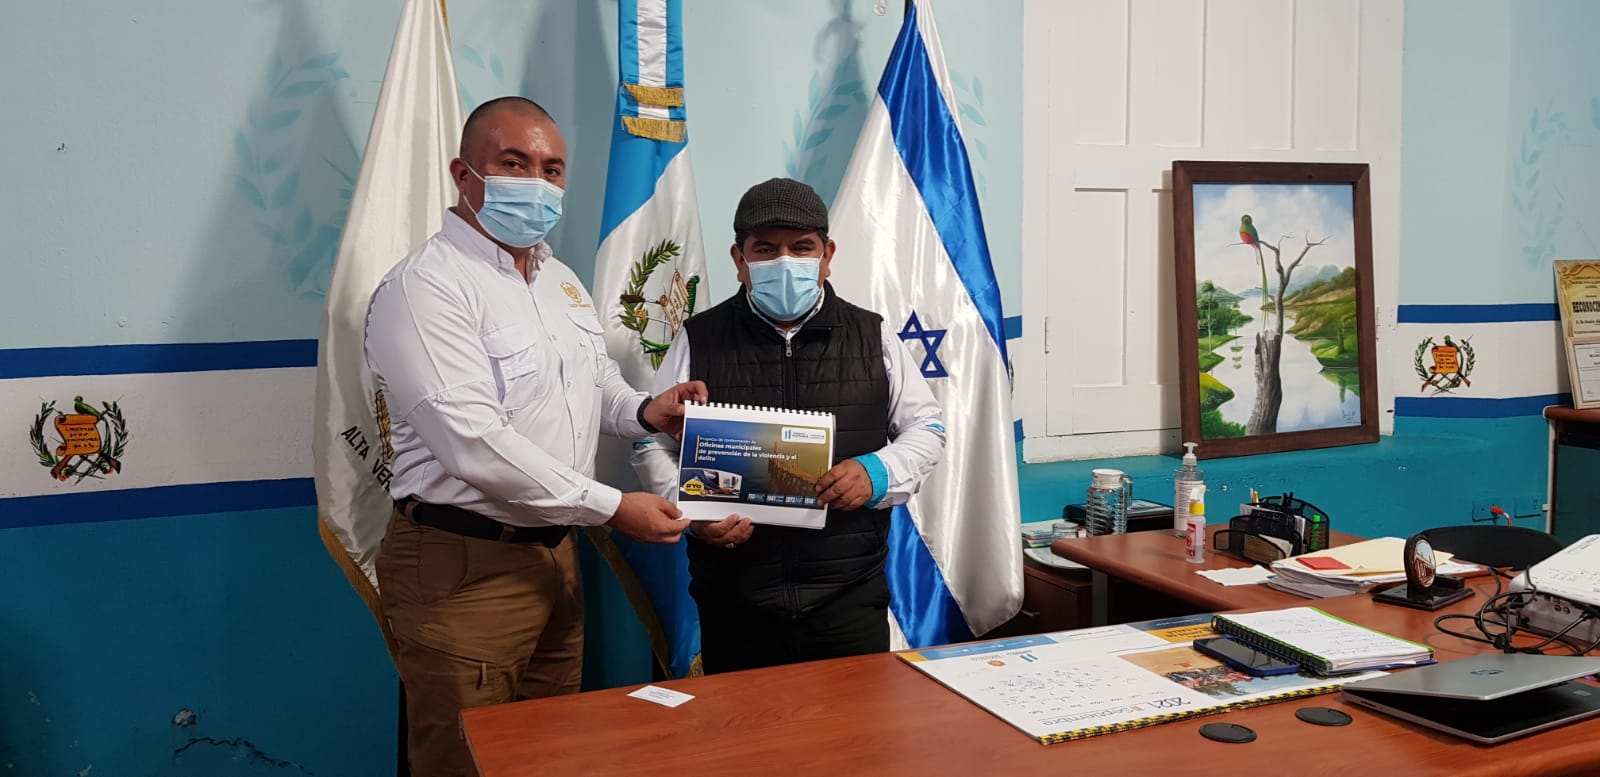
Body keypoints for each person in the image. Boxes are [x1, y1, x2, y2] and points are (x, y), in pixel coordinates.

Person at [363, 96, 704, 777]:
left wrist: (646, 411)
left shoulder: (558, 278)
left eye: (551, 169)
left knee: (548, 750)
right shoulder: (426, 288)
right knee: (464, 761)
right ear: (463, 175)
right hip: (465, 564)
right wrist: (613, 507)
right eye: (513, 163)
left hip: (556, 555)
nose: (537, 183)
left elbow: (594, 382)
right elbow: (473, 443)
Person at [634, 177, 946, 674]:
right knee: (744, 723)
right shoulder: (699, 338)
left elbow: (928, 428)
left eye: (801, 248)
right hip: (734, 603)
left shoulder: (874, 336)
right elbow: (653, 442)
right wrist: (692, 508)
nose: (784, 261)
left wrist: (878, 472)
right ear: (739, 260)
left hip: (848, 599)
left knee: (853, 723)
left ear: (827, 255)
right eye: (765, 249)